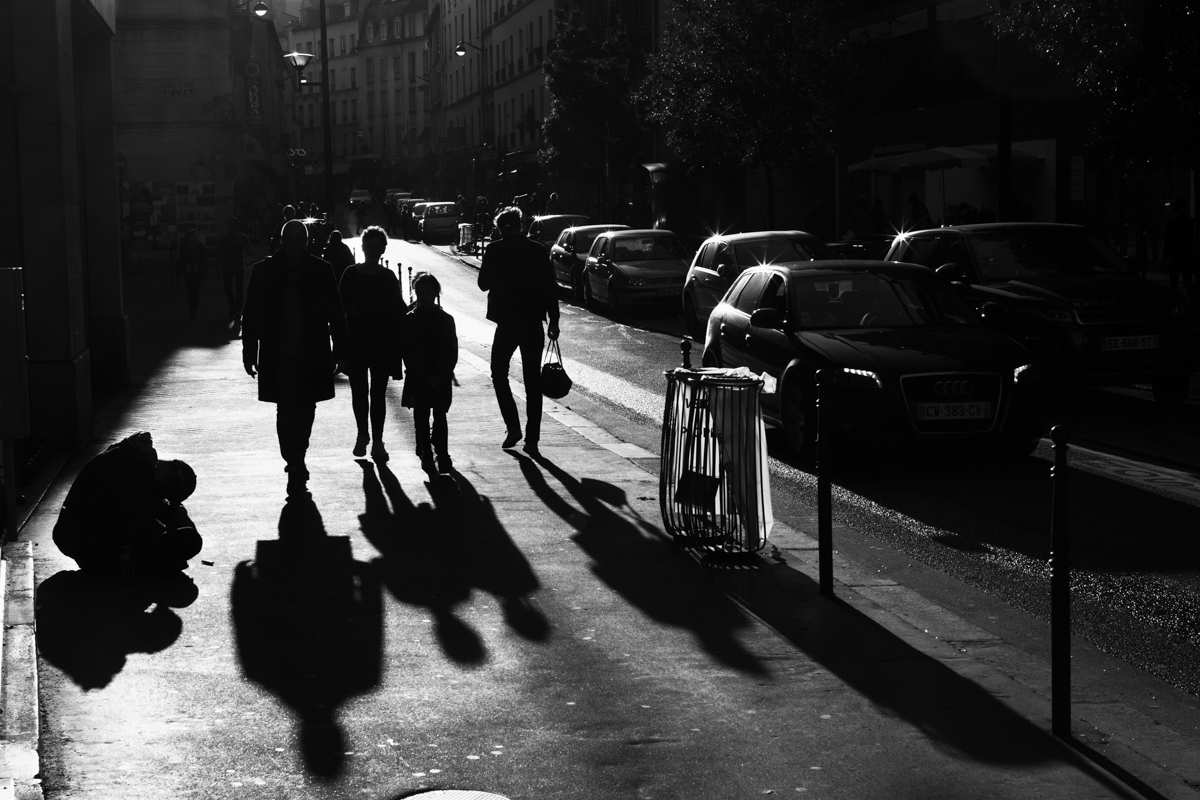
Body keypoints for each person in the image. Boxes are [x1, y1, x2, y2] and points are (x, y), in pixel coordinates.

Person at [242, 219, 347, 499]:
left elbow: (335, 313)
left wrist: (340, 350)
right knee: (287, 409)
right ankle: (294, 459)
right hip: (280, 354)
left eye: (298, 241)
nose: (293, 247)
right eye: (289, 241)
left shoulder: (321, 270)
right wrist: (249, 351)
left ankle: (297, 456)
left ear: (305, 242)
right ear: (282, 242)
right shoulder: (264, 271)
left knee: (306, 408)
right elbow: (250, 314)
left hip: (310, 352)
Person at [52, 432, 200, 580]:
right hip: (88, 544)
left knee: (177, 533)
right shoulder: (133, 468)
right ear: (169, 481)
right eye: (168, 493)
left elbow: (157, 509)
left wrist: (174, 511)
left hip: (82, 537)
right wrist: (170, 537)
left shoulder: (135, 458)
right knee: (191, 540)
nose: (163, 496)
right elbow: (146, 525)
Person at [477, 206, 560, 455]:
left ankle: (513, 427)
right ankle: (532, 439)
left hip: (507, 322)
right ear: (521, 225)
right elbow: (549, 288)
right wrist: (554, 321)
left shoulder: (495, 249)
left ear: (500, 228)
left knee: (499, 373)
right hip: (533, 322)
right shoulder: (537, 250)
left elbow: (483, 284)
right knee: (532, 381)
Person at [338, 226, 407, 461]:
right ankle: (365, 435)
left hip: (377, 343)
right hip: (363, 342)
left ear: (383, 249)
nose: (374, 251)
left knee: (375, 393)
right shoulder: (381, 277)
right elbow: (340, 310)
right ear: (364, 247)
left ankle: (374, 439)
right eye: (371, 247)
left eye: (378, 248)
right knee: (361, 392)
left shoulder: (356, 275)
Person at [401, 272, 458, 473]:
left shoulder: (443, 320)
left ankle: (440, 453)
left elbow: (452, 352)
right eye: (420, 293)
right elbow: (408, 352)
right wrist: (429, 375)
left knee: (437, 416)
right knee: (423, 416)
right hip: (423, 375)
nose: (423, 297)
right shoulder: (411, 320)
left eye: (427, 292)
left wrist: (441, 374)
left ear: (435, 293)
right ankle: (428, 452)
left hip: (433, 375)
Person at [218, 217, 253, 323]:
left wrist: (241, 244)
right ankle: (234, 307)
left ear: (237, 225)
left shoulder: (241, 237)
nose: (231, 226)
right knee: (229, 288)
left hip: (237, 265)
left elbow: (250, 250)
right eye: (230, 224)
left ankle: (236, 309)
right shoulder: (225, 237)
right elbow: (220, 253)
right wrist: (219, 265)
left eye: (233, 224)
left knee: (238, 289)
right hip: (229, 265)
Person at [1163, 199, 1196, 300]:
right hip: (1187, 255)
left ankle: (1174, 303)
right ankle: (1193, 302)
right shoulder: (1191, 222)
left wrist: (1167, 257)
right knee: (1188, 282)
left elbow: (1169, 242)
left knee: (1173, 282)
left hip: (1175, 256)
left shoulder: (1172, 222)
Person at [178, 230, 207, 319]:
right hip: (189, 270)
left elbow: (203, 259)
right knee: (191, 289)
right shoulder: (184, 247)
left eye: (194, 236)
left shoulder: (200, 246)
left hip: (197, 270)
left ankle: (195, 304)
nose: (193, 238)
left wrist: (204, 269)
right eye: (191, 236)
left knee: (196, 289)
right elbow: (181, 260)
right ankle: (192, 307)